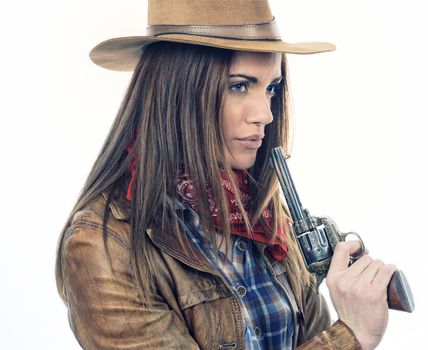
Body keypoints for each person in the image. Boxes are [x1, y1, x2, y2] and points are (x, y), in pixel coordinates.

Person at [55, 0, 397, 349]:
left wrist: (355, 302)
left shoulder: (263, 216)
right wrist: (351, 335)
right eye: (238, 86)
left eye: (271, 88)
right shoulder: (103, 244)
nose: (264, 113)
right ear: (178, 91)